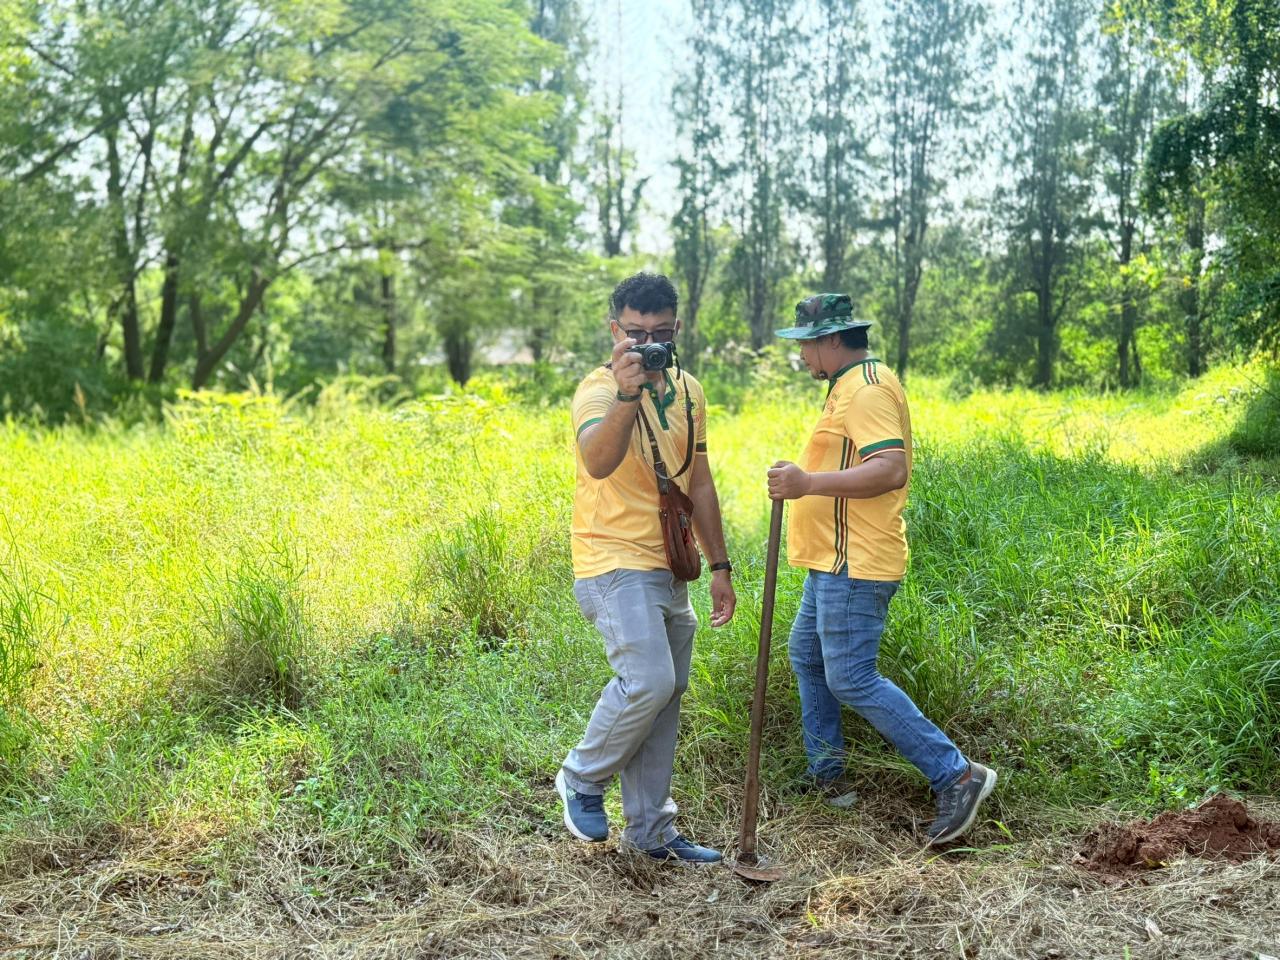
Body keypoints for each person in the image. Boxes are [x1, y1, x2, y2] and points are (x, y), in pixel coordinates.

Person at [766, 293, 996, 845]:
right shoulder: (847, 384)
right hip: (831, 561)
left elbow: (889, 469)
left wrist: (806, 483)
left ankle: (958, 775)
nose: (801, 356)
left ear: (831, 340)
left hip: (856, 562)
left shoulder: (866, 389)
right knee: (809, 658)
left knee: (850, 676)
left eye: (805, 345)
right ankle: (829, 778)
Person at [555, 272, 736, 862]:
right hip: (612, 559)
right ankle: (581, 777)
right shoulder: (599, 390)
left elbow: (699, 483)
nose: (648, 343)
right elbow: (598, 461)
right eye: (635, 333)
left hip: (669, 561)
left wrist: (720, 564)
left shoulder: (689, 390)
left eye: (659, 333)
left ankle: (652, 831)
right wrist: (629, 394)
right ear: (615, 331)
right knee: (649, 682)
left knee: (667, 695)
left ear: (677, 329)